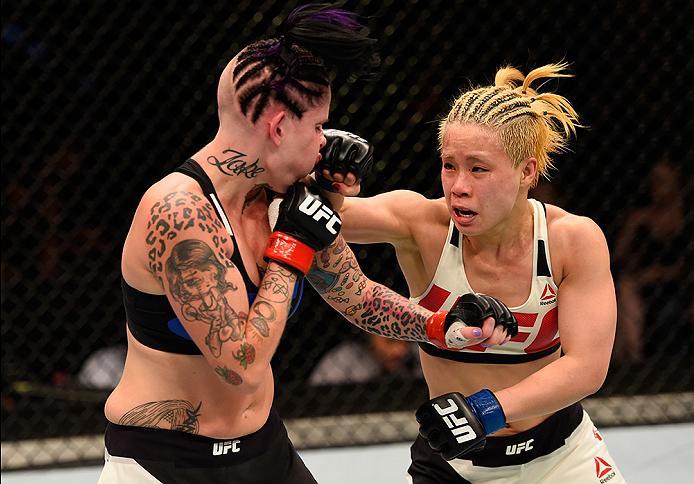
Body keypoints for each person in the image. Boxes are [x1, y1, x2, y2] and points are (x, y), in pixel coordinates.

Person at [99, 5, 511, 483]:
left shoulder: (286, 195)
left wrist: (442, 326)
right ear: (277, 127)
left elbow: (355, 294)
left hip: (265, 451)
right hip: (165, 464)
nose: (325, 142)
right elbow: (241, 366)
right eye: (318, 127)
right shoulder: (179, 214)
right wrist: (292, 248)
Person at [317, 63, 625, 482]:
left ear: (527, 172)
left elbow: (587, 367)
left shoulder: (571, 240)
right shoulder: (422, 225)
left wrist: (486, 409)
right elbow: (322, 217)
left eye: (478, 169)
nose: (459, 185)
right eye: (449, 166)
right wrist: (319, 177)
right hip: (455, 465)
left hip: (562, 458)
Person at [612, 158, 689, 364]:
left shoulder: (686, 216)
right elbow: (617, 258)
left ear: (677, 181)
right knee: (626, 286)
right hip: (643, 281)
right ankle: (634, 360)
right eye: (654, 180)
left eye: (663, 179)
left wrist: (668, 272)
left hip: (683, 280)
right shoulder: (640, 219)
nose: (657, 186)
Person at [309, 332, 422, 386]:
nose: (400, 351)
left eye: (407, 340)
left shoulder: (418, 353)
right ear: (369, 338)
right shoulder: (344, 358)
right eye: (390, 341)